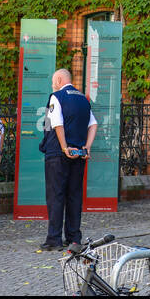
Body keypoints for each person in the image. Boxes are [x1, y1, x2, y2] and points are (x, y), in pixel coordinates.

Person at [39, 69, 97, 253]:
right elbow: (93, 124)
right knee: (74, 196)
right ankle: (74, 238)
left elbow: (57, 124)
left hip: (58, 154)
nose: (52, 85)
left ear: (58, 80)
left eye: (52, 81)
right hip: (79, 154)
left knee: (56, 195)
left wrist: (64, 147)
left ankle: (54, 239)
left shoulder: (57, 96)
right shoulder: (83, 99)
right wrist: (87, 147)